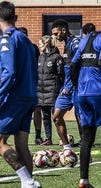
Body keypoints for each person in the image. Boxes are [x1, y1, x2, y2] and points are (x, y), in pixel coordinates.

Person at [0, 1, 41, 188]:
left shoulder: (6, 39)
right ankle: (30, 183)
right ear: (15, 18)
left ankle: (27, 181)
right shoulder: (25, 39)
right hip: (29, 96)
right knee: (21, 144)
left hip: (15, 98)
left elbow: (9, 73)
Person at [71, 30, 101, 188]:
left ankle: (84, 180)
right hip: (98, 91)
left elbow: (73, 64)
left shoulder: (84, 40)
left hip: (83, 93)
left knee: (87, 138)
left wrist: (77, 85)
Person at [51, 19, 80, 150]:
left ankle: (85, 146)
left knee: (80, 119)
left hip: (77, 87)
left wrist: (69, 86)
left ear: (64, 30)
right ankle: (67, 148)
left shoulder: (75, 43)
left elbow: (79, 66)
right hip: (66, 87)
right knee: (56, 117)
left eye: (57, 33)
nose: (56, 37)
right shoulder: (66, 44)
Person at [71, 23, 96, 147]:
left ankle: (85, 143)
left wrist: (75, 82)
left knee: (84, 117)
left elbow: (73, 64)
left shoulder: (82, 43)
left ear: (84, 33)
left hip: (83, 89)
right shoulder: (98, 42)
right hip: (96, 88)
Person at [36, 35, 64, 146]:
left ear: (46, 44)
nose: (39, 46)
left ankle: (62, 138)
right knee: (46, 117)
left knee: (56, 117)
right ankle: (48, 138)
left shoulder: (56, 57)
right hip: (41, 92)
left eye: (40, 44)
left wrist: (59, 88)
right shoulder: (40, 57)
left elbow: (61, 74)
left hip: (53, 91)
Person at [18, 27, 43, 145]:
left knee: (37, 110)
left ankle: (38, 135)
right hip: (19, 84)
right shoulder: (14, 48)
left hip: (32, 83)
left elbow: (38, 64)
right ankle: (21, 137)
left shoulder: (33, 48)